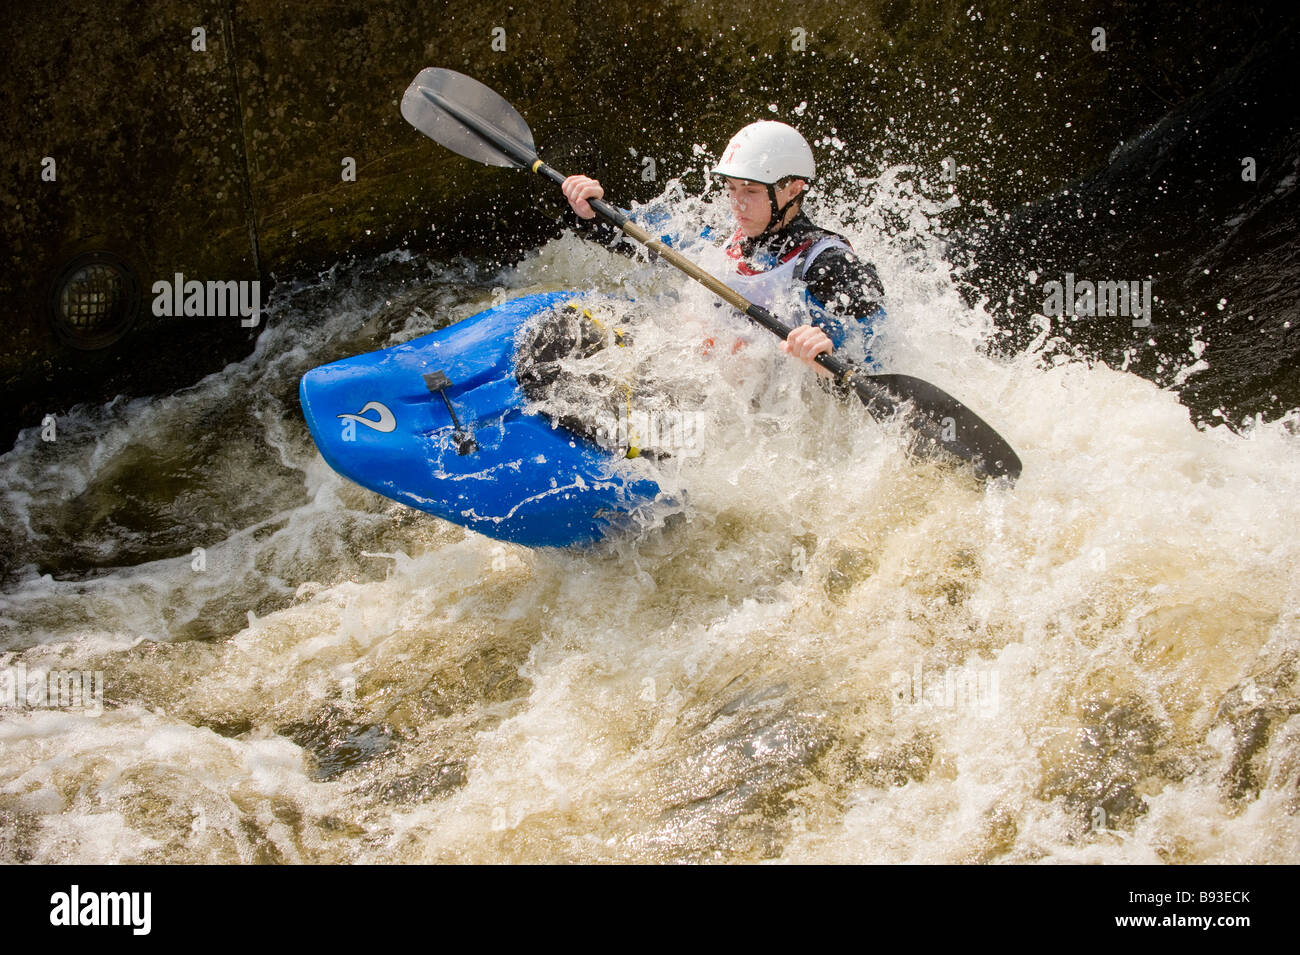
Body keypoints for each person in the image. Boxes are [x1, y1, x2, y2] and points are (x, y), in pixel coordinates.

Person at [560, 120, 885, 378]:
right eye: (731, 188)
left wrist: (829, 358)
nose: (737, 203)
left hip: (765, 415)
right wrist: (593, 214)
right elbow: (643, 237)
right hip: (701, 383)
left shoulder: (830, 265)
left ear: (793, 189)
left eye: (751, 190)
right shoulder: (718, 241)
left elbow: (878, 352)